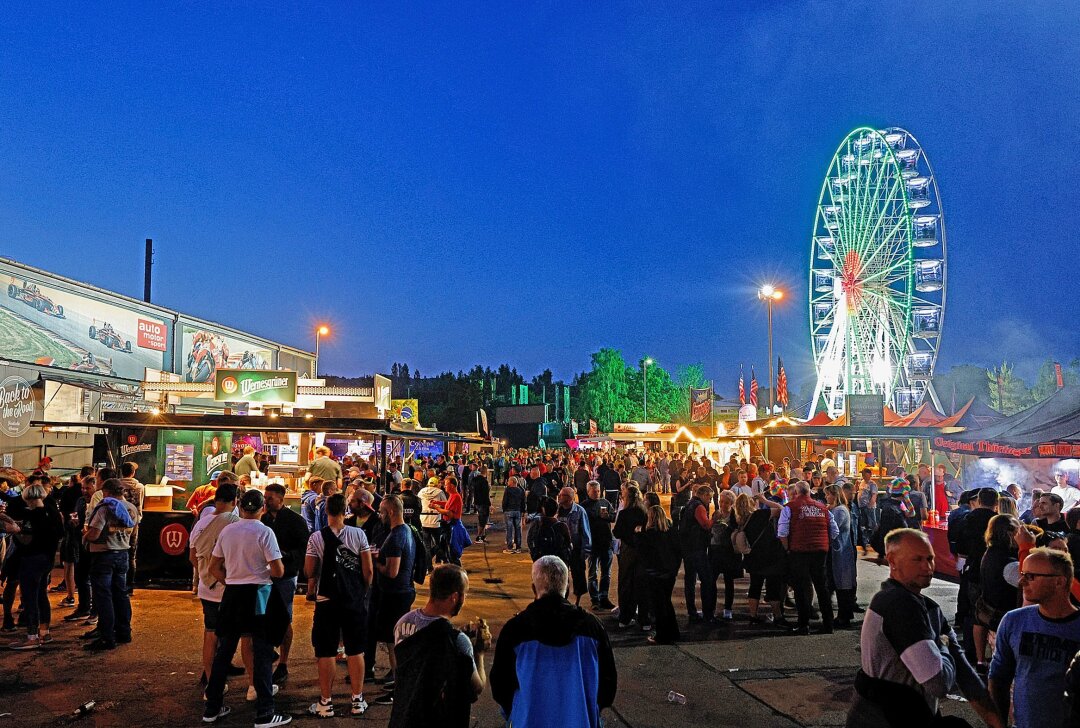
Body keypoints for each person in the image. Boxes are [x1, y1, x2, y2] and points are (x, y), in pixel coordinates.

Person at [847, 529, 1002, 728]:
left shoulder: (926, 607)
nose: (927, 567)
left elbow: (966, 676)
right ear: (892, 561)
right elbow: (938, 683)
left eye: (930, 559)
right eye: (917, 559)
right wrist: (943, 644)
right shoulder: (897, 603)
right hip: (886, 718)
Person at [490, 556, 617, 728]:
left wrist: (515, 711)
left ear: (534, 589)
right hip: (580, 720)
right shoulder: (592, 628)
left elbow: (500, 685)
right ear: (566, 588)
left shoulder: (515, 630)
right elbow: (607, 684)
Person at [202, 489, 290, 728]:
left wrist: (229, 582)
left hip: (232, 595)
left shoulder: (228, 531)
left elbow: (214, 567)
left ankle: (212, 707)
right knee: (261, 651)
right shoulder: (265, 532)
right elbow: (279, 570)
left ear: (240, 507)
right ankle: (265, 713)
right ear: (262, 508)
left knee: (225, 651)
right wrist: (262, 574)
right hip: (259, 594)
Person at [989, 547, 1080, 728]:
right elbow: (998, 677)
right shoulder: (1013, 621)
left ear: (1059, 582)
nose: (1022, 581)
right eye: (1023, 574)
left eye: (1031, 576)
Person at [389, 564, 488, 728]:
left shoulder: (402, 624)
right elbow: (476, 687)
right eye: (465, 594)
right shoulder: (457, 641)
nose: (465, 599)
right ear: (455, 597)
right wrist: (479, 653)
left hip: (404, 716)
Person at [304, 493, 373, 718]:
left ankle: (326, 702)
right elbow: (368, 571)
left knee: (326, 651)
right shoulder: (358, 534)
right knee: (355, 650)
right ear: (346, 510)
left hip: (327, 601)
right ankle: (357, 699)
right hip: (353, 600)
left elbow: (309, 571)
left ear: (326, 511)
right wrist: (362, 590)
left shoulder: (316, 538)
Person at [189, 483, 240, 688]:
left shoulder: (200, 524)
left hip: (205, 587)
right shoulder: (234, 523)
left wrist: (205, 573)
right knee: (231, 636)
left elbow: (192, 557)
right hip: (228, 586)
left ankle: (210, 678)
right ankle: (221, 676)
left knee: (210, 633)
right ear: (235, 501)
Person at [82, 478, 139, 651]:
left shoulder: (105, 508)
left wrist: (85, 535)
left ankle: (107, 636)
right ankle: (124, 632)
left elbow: (94, 534)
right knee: (120, 594)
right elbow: (133, 531)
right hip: (122, 554)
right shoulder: (131, 508)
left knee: (103, 596)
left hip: (104, 555)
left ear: (106, 492)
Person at [370, 495, 417, 705]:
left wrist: (375, 562)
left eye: (381, 512)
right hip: (400, 593)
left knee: (394, 643)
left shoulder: (397, 535)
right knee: (394, 641)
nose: (379, 516)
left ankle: (399, 686)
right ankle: (399, 681)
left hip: (395, 594)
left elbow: (392, 571)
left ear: (390, 512)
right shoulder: (405, 531)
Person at [261, 482, 309, 686]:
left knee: (285, 618)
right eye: (265, 497)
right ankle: (268, 653)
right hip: (265, 577)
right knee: (264, 616)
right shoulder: (263, 519)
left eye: (270, 497)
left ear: (281, 499)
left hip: (286, 577)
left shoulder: (295, 521)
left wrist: (287, 557)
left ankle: (283, 662)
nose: (266, 500)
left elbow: (304, 548)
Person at [6, 483, 62, 650]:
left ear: (27, 498)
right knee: (41, 595)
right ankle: (45, 633)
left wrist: (15, 530)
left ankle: (32, 637)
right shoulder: (52, 512)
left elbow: (28, 540)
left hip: (33, 559)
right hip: (47, 559)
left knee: (30, 597)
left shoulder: (34, 515)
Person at [779, 481, 838, 635]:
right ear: (809, 492)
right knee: (822, 587)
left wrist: (787, 549)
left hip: (799, 551)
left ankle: (803, 624)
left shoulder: (790, 507)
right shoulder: (822, 508)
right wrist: (825, 543)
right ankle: (828, 624)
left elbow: (783, 532)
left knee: (801, 588)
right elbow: (834, 530)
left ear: (797, 493)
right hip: (820, 551)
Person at [972, 515, 1018, 674]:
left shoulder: (991, 552)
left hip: (990, 611)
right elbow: (1029, 585)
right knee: (1005, 669)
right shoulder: (1009, 562)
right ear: (1010, 533)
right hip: (1001, 618)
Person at [641, 504, 681, 644]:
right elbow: (678, 551)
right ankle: (673, 632)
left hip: (655, 574)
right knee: (666, 602)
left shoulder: (648, 535)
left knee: (658, 605)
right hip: (669, 573)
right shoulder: (671, 532)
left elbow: (644, 554)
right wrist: (674, 569)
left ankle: (661, 635)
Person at [613, 485, 649, 629]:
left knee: (626, 584)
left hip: (628, 551)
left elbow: (616, 533)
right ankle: (644, 619)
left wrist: (628, 535)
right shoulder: (644, 512)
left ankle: (625, 618)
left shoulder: (624, 513)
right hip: (642, 551)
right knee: (642, 584)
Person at [679, 484, 717, 624]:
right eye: (710, 498)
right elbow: (705, 525)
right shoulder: (699, 506)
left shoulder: (689, 504)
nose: (710, 501)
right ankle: (708, 614)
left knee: (690, 580)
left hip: (687, 548)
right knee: (706, 580)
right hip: (697, 549)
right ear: (704, 495)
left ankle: (692, 611)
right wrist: (714, 519)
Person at [826, 485, 858, 628]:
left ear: (835, 495)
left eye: (828, 495)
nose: (826, 497)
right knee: (838, 583)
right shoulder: (836, 509)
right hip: (838, 551)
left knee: (842, 585)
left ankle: (843, 617)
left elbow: (833, 529)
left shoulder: (840, 511)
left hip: (841, 551)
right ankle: (844, 614)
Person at [582, 480, 615, 610]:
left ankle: (604, 597)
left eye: (598, 491)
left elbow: (613, 517)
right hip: (593, 544)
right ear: (588, 491)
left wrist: (607, 516)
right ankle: (594, 599)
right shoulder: (584, 506)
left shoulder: (605, 503)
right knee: (592, 573)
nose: (597, 493)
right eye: (594, 491)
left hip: (606, 542)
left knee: (606, 573)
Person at [556, 487, 592, 606]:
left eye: (563, 495)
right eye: (560, 494)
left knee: (578, 577)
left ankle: (577, 602)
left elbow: (585, 532)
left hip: (576, 550)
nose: (560, 497)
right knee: (560, 576)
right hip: (561, 550)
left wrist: (585, 551)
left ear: (570, 498)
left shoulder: (579, 511)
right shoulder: (557, 510)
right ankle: (563, 600)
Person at [501, 474, 526, 554]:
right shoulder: (520, 490)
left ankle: (510, 547)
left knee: (509, 529)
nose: (508, 482)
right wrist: (523, 511)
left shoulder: (508, 490)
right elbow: (523, 502)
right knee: (518, 529)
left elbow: (505, 501)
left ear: (512, 482)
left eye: (509, 481)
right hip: (518, 511)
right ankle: (518, 547)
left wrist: (504, 509)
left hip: (509, 511)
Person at [473, 466, 491, 543]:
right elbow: (485, 494)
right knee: (483, 520)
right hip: (483, 503)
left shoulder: (475, 480)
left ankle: (482, 536)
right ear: (486, 472)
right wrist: (489, 504)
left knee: (480, 518)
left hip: (477, 501)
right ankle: (479, 536)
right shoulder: (484, 481)